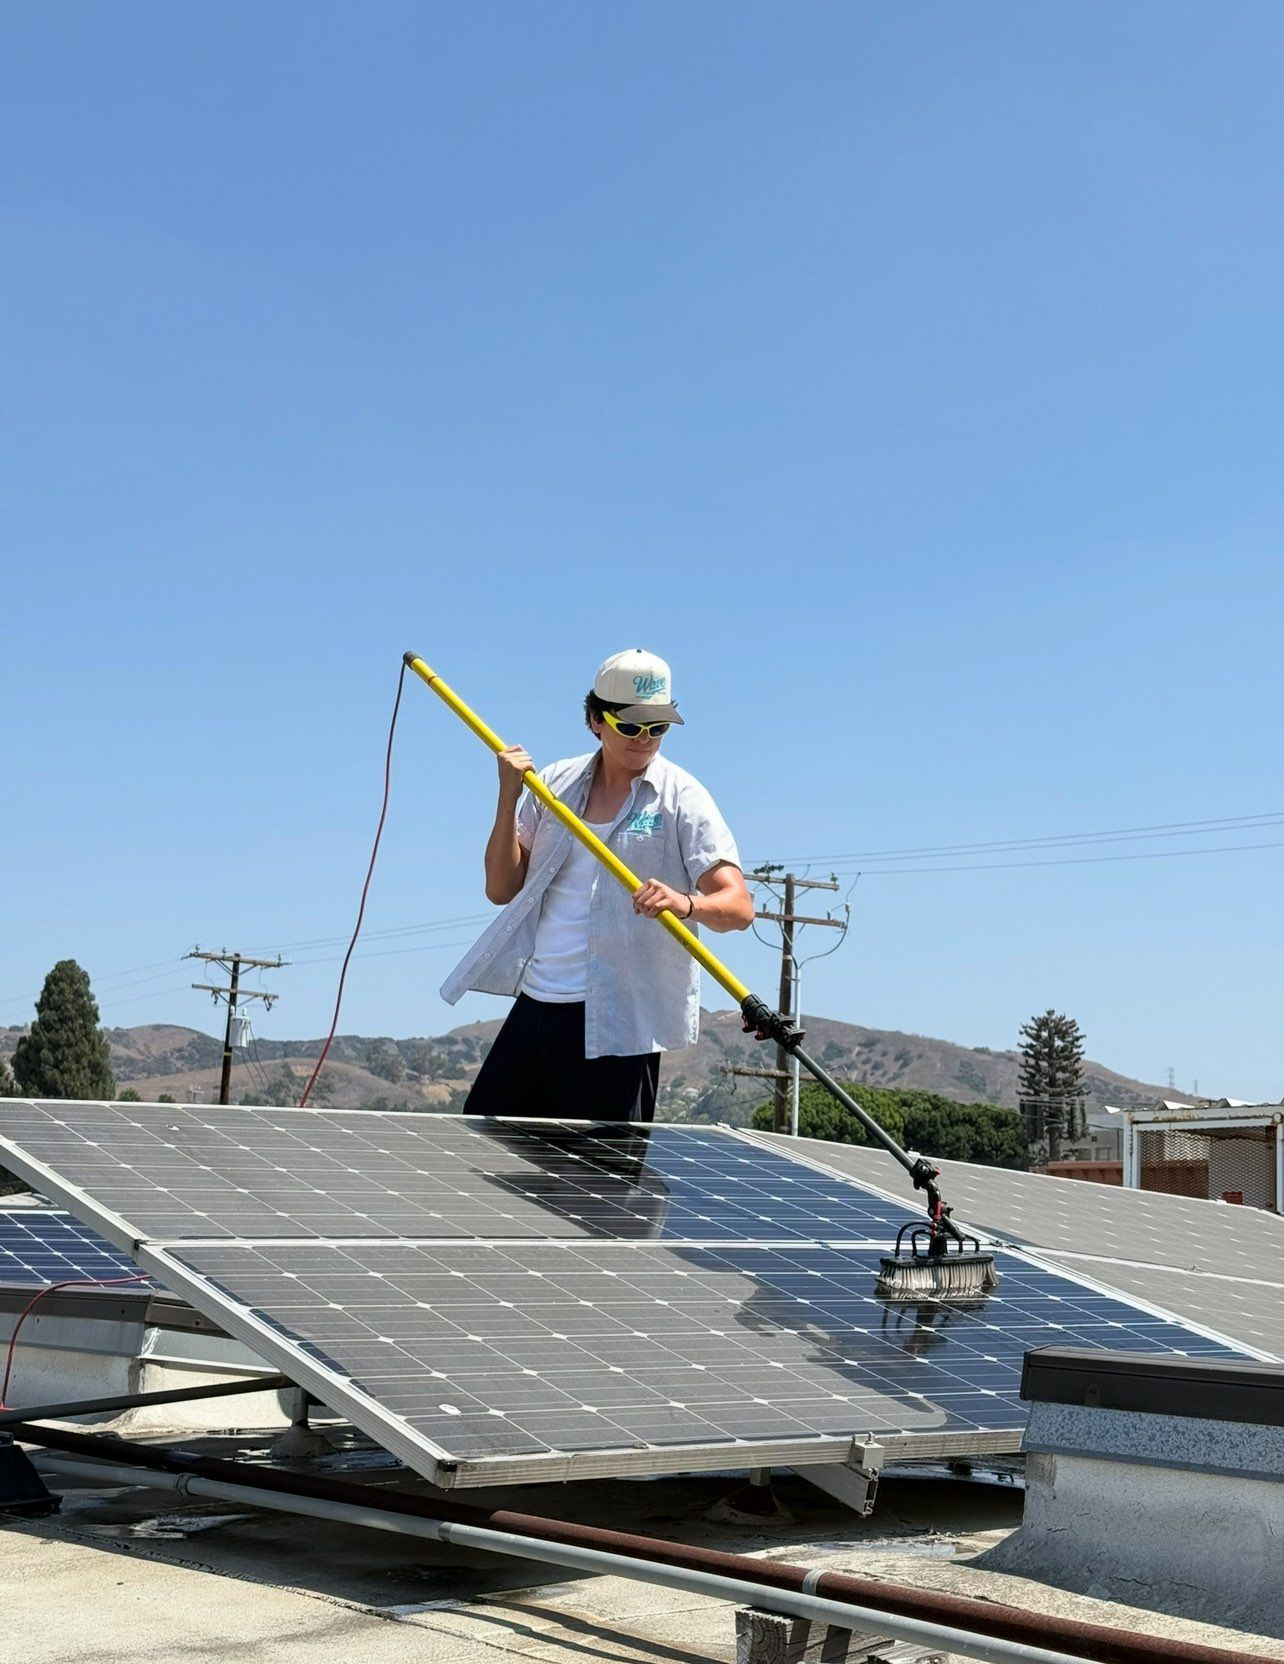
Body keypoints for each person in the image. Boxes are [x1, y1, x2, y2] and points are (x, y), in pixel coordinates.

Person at [441, 648, 753, 1122]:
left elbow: (739, 907)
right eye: (630, 726)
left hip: (621, 1023)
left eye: (658, 727)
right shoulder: (554, 784)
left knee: (602, 1181)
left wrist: (685, 902)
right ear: (595, 720)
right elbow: (501, 889)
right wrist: (509, 797)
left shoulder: (682, 796)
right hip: (538, 1004)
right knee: (486, 1136)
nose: (645, 739)